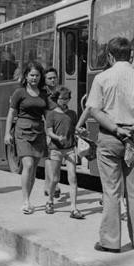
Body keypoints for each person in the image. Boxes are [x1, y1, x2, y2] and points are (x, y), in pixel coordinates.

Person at [87, 37, 134, 253]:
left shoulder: (101, 78)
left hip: (110, 136)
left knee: (111, 191)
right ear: (131, 55)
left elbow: (94, 110)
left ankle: (110, 242)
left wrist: (117, 130)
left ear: (109, 55)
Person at [4, 61, 53, 214]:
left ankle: (28, 198)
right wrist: (7, 133)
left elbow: (48, 116)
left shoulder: (44, 94)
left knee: (34, 169)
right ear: (26, 76)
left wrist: (49, 134)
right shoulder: (19, 92)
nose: (34, 78)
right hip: (22, 130)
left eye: (37, 75)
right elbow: (11, 114)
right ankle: (25, 201)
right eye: (31, 75)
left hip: (38, 131)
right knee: (29, 165)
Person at [44, 86, 85, 219]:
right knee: (55, 178)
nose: (65, 101)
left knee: (73, 178)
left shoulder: (72, 114)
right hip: (55, 149)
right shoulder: (51, 114)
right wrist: (57, 137)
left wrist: (81, 132)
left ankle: (73, 208)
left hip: (69, 149)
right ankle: (50, 201)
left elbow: (74, 130)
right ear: (57, 99)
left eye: (67, 98)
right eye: (62, 99)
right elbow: (49, 131)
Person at [43, 67, 61, 199]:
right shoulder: (44, 94)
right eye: (50, 78)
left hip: (59, 127)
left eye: (54, 77)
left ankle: (46, 185)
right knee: (50, 156)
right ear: (45, 80)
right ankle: (56, 185)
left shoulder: (61, 91)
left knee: (53, 156)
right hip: (48, 127)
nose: (53, 80)